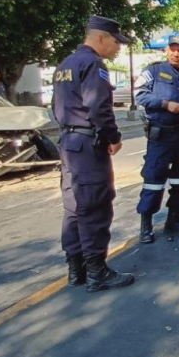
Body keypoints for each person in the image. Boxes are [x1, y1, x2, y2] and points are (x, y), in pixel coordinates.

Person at [51, 15, 134, 292]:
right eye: (115, 41)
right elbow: (98, 106)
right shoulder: (93, 64)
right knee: (95, 205)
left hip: (69, 143)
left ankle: (76, 270)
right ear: (100, 38)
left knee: (74, 207)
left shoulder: (65, 64)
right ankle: (97, 272)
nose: (119, 48)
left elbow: (57, 105)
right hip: (87, 145)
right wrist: (113, 136)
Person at [134, 34, 179, 244]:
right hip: (160, 135)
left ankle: (174, 218)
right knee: (154, 180)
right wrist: (165, 104)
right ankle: (146, 225)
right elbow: (140, 95)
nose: (176, 53)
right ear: (166, 50)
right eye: (173, 49)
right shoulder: (153, 70)